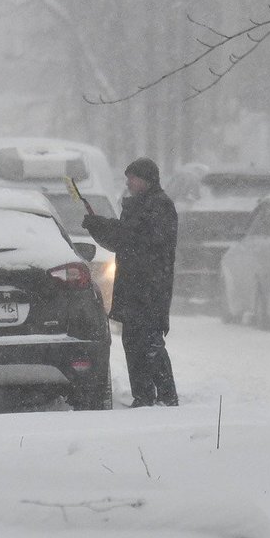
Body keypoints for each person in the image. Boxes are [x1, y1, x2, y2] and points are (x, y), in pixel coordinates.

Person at [82, 158, 179, 407]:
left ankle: (166, 396)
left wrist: (102, 226)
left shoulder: (159, 207)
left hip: (149, 287)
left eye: (133, 177)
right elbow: (124, 239)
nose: (128, 182)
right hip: (134, 285)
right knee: (134, 341)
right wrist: (99, 227)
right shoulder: (140, 205)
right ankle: (144, 395)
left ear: (146, 180)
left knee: (149, 342)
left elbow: (133, 239)